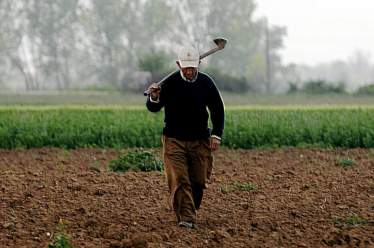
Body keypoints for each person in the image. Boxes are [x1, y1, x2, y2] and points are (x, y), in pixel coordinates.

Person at [146, 45, 225, 229]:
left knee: (198, 181)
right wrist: (154, 97)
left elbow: (217, 109)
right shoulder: (168, 84)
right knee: (180, 179)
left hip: (199, 140)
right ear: (178, 65)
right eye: (186, 67)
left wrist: (216, 135)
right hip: (174, 140)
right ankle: (186, 218)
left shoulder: (206, 83)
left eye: (193, 67)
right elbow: (153, 108)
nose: (190, 71)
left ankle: (189, 208)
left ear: (198, 64)